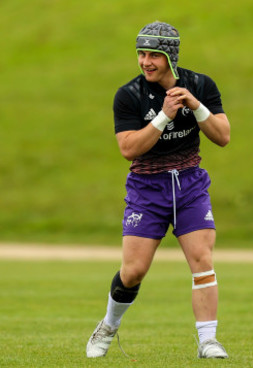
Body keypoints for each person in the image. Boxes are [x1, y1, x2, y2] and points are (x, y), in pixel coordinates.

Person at [86, 21, 230, 359]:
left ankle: (208, 341)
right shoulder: (129, 95)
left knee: (202, 260)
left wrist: (196, 107)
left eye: (154, 54)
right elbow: (129, 148)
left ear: (171, 56)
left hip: (190, 184)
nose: (145, 61)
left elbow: (222, 136)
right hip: (146, 188)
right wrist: (164, 117)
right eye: (141, 53)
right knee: (133, 271)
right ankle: (108, 325)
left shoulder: (200, 85)